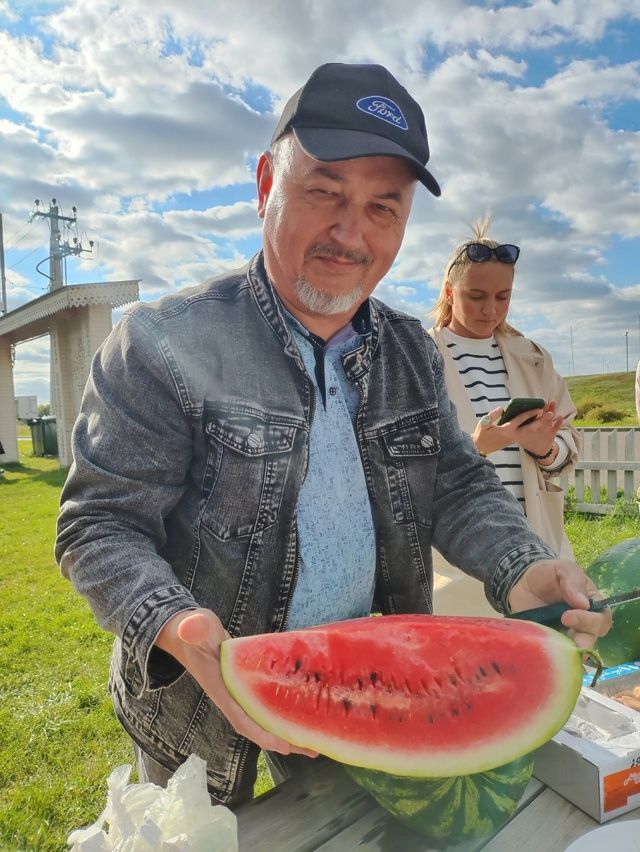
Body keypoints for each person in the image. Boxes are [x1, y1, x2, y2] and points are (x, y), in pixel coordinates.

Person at [55, 62, 609, 808]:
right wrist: (173, 623)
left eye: (384, 207)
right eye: (324, 192)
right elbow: (98, 527)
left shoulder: (413, 351)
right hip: (194, 719)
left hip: (372, 692)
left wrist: (521, 565)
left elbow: (454, 481)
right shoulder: (160, 344)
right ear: (263, 185)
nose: (351, 234)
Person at [428, 220, 581, 615]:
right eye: (476, 295)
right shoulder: (416, 358)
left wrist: (546, 448)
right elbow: (399, 465)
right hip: (454, 563)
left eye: (503, 296)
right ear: (449, 291)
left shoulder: (534, 357)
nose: (490, 309)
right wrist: (475, 449)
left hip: (538, 545)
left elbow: (571, 443)